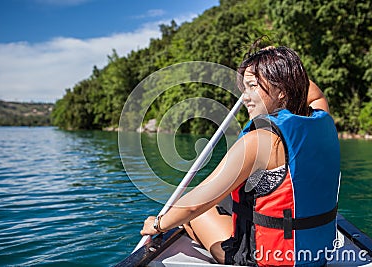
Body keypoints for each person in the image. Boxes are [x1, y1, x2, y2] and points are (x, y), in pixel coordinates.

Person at [141, 44, 340, 266]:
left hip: (271, 260)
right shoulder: (323, 118)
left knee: (187, 211)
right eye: (244, 88)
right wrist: (279, 61)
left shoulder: (260, 140)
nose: (245, 97)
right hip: (317, 256)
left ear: (281, 90)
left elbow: (195, 204)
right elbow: (315, 94)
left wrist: (157, 224)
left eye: (253, 86)